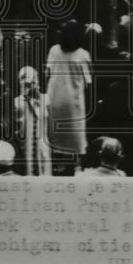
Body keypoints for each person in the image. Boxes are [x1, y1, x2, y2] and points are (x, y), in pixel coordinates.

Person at [46, 20, 92, 174]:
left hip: (55, 99)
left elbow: (47, 72)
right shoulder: (83, 55)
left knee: (55, 134)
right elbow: (88, 81)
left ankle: (55, 166)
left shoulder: (54, 50)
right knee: (74, 137)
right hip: (74, 103)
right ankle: (71, 168)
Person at [13, 66, 51, 176]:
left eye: (32, 80)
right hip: (25, 147)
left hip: (43, 146)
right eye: (23, 80)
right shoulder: (16, 103)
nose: (28, 85)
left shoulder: (45, 99)